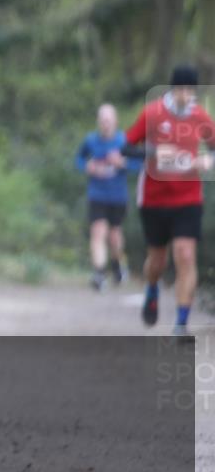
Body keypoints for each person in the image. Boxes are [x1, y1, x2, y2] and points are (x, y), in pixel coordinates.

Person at [117, 65, 214, 336]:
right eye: (181, 89)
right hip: (154, 199)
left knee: (185, 254)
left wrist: (209, 159)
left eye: (191, 91)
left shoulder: (200, 117)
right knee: (157, 261)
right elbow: (126, 147)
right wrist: (157, 152)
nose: (186, 96)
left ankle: (181, 324)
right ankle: (152, 288)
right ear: (172, 89)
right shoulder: (153, 113)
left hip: (188, 198)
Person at [75, 104, 140, 290]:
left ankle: (117, 265)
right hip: (97, 194)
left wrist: (122, 163)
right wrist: (88, 166)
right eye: (102, 120)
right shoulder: (90, 141)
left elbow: (139, 163)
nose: (105, 124)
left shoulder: (124, 141)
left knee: (114, 236)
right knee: (98, 231)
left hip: (118, 196)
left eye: (108, 120)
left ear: (115, 121)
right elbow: (79, 159)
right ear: (98, 122)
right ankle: (99, 273)